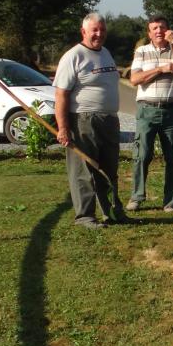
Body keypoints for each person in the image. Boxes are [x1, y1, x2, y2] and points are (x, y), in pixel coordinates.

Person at [54, 12, 129, 229]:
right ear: (84, 31)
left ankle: (111, 213)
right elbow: (61, 95)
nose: (99, 34)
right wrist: (63, 128)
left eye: (102, 29)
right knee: (83, 170)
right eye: (94, 30)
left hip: (109, 120)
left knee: (108, 168)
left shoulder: (105, 52)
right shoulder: (73, 56)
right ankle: (85, 216)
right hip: (83, 121)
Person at [128, 16, 173, 212]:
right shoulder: (142, 51)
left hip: (172, 110)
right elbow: (135, 79)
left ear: (168, 30)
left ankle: (170, 202)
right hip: (147, 109)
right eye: (154, 28)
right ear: (149, 33)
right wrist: (161, 69)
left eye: (162, 27)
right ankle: (137, 197)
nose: (158, 31)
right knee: (142, 155)